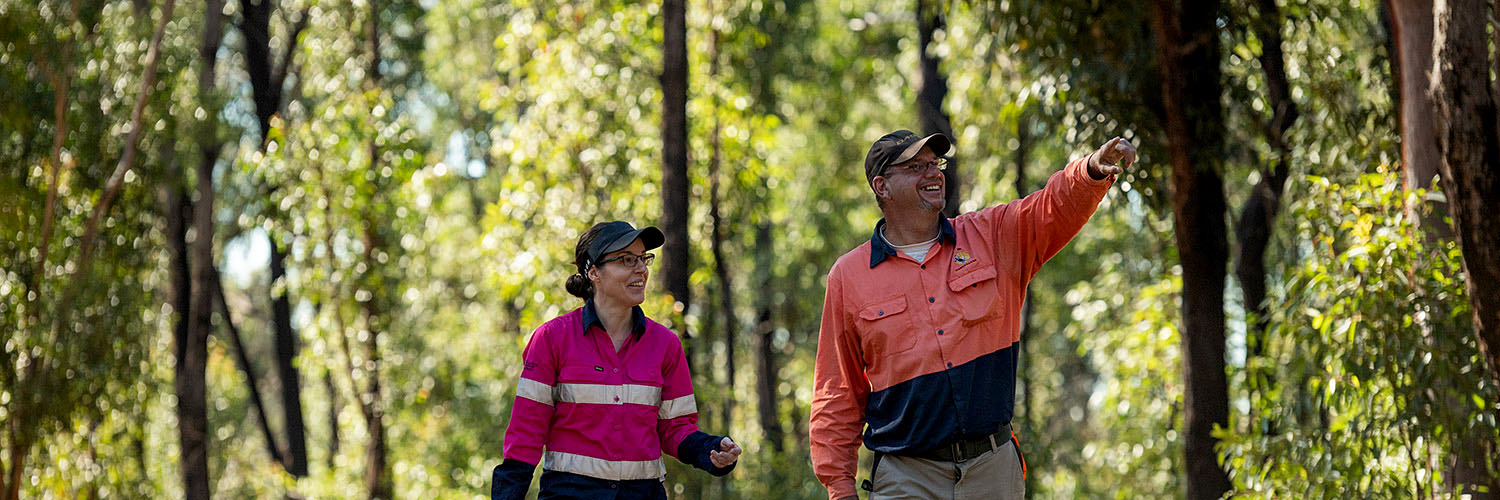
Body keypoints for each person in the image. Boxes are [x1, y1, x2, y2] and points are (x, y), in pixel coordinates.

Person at [809, 130, 1136, 500]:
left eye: (935, 164)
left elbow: (1049, 209)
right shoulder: (848, 277)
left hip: (993, 470)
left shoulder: (991, 236)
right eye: (916, 166)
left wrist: (1090, 170)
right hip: (906, 477)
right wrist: (839, 488)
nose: (933, 173)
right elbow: (836, 394)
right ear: (882, 186)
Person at [492, 220, 742, 500]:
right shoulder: (551, 339)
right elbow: (525, 436)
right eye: (626, 260)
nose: (641, 270)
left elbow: (675, 428)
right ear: (595, 272)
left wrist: (710, 451)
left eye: (643, 259)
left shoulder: (666, 345)